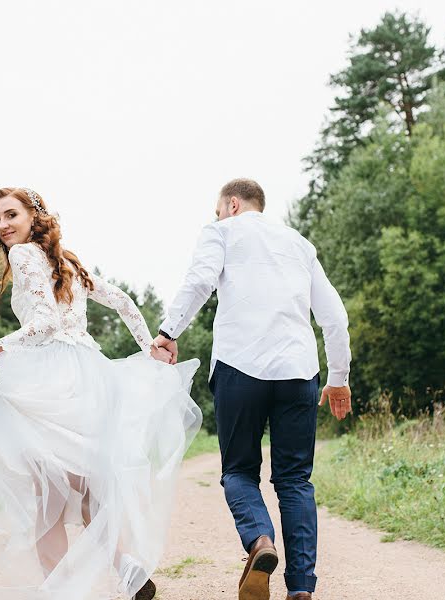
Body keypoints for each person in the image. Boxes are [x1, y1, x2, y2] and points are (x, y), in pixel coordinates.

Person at [0, 187, 202, 600]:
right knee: (80, 488)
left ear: (35, 217)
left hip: (49, 377)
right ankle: (128, 567)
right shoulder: (65, 261)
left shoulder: (24, 254)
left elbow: (45, 324)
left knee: (47, 496)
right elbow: (123, 301)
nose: (3, 225)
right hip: (89, 378)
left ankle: (63, 592)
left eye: (12, 214)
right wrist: (149, 349)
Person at [153, 178, 352, 600]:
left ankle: (260, 540)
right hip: (298, 372)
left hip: (240, 368)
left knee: (239, 471)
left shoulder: (221, 230)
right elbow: (334, 316)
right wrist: (339, 378)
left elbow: (199, 281)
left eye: (219, 210)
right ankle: (300, 588)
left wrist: (169, 331)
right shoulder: (300, 244)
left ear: (232, 203)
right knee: (295, 479)